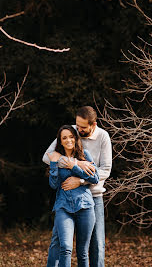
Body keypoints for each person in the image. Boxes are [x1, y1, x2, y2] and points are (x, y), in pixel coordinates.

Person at [43, 106, 112, 267]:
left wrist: (81, 180)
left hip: (92, 197)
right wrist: (75, 163)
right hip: (66, 198)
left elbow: (105, 170)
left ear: (93, 125)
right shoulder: (71, 131)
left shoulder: (103, 137)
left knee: (96, 244)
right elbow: (48, 157)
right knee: (59, 243)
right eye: (77, 125)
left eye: (82, 127)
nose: (77, 129)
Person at [47, 125, 99, 267]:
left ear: (76, 138)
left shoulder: (85, 155)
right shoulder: (57, 158)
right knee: (65, 247)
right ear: (61, 141)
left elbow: (95, 178)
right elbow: (53, 184)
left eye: (71, 136)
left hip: (85, 207)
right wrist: (53, 163)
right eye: (64, 138)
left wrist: (73, 167)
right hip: (63, 207)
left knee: (82, 252)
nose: (68, 140)